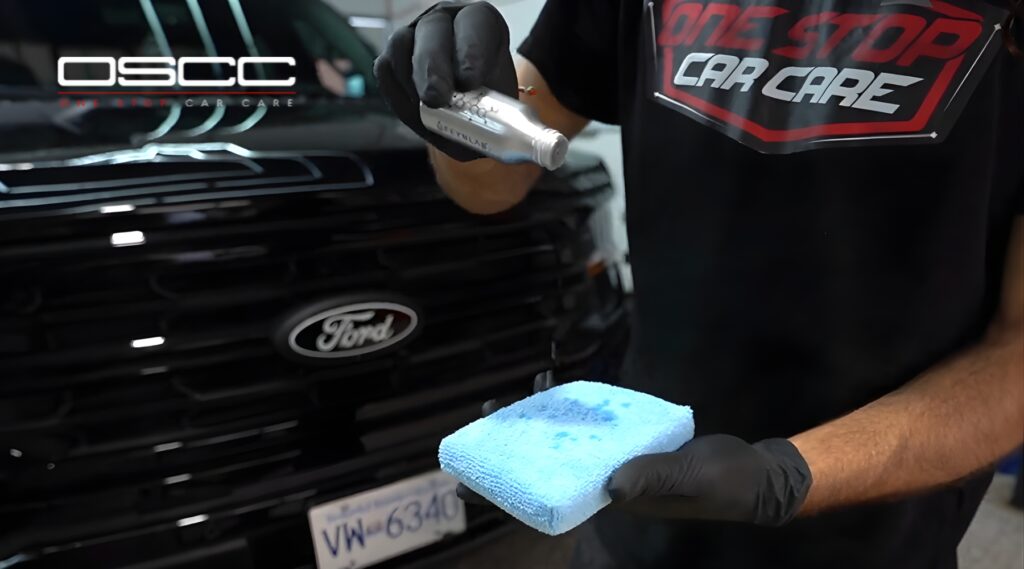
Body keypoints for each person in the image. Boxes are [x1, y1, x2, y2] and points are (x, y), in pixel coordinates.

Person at [374, 1, 1024, 567]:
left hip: (874, 543)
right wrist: (458, 114)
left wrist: (787, 475)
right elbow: (491, 182)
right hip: (631, 520)